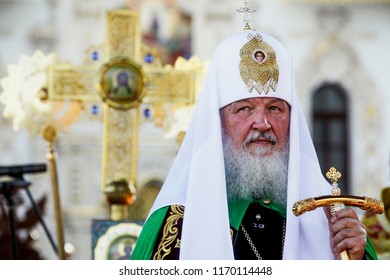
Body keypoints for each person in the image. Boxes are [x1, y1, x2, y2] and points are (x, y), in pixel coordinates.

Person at [130, 29, 378, 260]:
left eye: (274, 108)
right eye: (244, 109)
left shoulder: (327, 217)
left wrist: (353, 262)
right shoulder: (174, 223)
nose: (262, 123)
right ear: (218, 124)